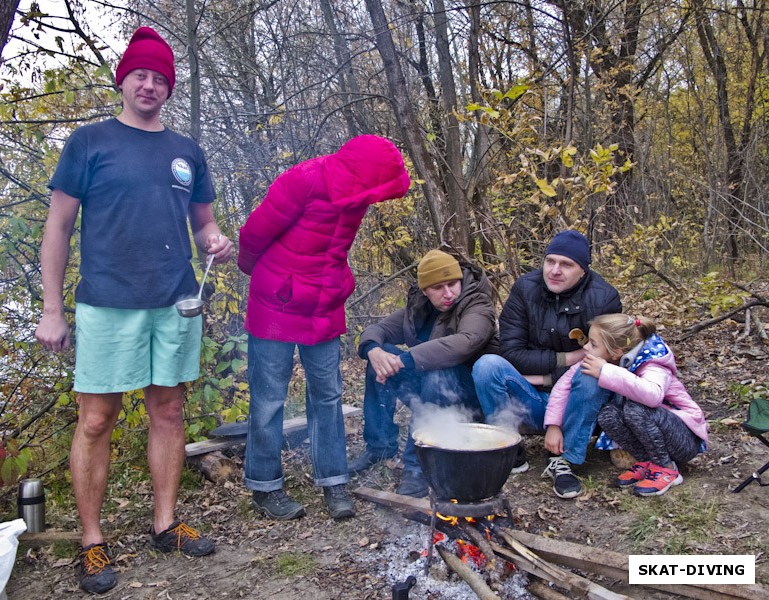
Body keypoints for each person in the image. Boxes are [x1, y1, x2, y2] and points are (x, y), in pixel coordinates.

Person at [35, 27, 233, 594]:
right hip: (107, 304)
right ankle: (92, 541)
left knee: (169, 411)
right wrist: (52, 307)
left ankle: (165, 523)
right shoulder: (89, 143)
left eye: (160, 78)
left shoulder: (186, 151)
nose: (149, 85)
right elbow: (58, 226)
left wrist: (216, 240)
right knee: (97, 419)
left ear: (169, 88)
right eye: (140, 74)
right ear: (123, 80)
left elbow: (204, 224)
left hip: (175, 300)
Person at [238, 135, 410, 520]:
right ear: (360, 175)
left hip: (324, 303)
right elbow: (253, 235)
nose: (376, 199)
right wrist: (268, 279)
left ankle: (334, 481)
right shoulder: (303, 180)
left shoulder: (357, 195)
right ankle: (266, 487)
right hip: (276, 304)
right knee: (268, 400)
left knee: (328, 396)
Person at [472, 230, 621, 499]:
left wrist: (546, 376)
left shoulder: (604, 298)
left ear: (583, 271)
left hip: (578, 403)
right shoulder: (525, 289)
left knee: (592, 372)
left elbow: (606, 358)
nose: (554, 270)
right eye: (550, 261)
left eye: (566, 264)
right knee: (487, 365)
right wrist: (568, 358)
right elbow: (512, 353)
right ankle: (508, 447)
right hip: (530, 399)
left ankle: (564, 460)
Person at [350, 249, 498, 498]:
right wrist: (374, 351)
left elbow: (465, 342)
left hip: (468, 402)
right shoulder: (418, 308)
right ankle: (380, 446)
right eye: (438, 287)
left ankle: (417, 467)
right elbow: (378, 329)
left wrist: (404, 360)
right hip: (432, 394)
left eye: (452, 284)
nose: (448, 293)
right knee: (381, 358)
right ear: (425, 291)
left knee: (437, 371)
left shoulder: (477, 304)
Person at [559, 314, 708, 496]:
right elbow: (564, 385)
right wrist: (553, 425)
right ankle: (647, 462)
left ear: (617, 351)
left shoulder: (654, 363)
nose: (586, 347)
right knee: (608, 414)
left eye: (593, 344)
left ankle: (667, 469)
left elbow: (653, 396)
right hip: (656, 438)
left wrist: (606, 372)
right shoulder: (619, 359)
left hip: (684, 439)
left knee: (635, 409)